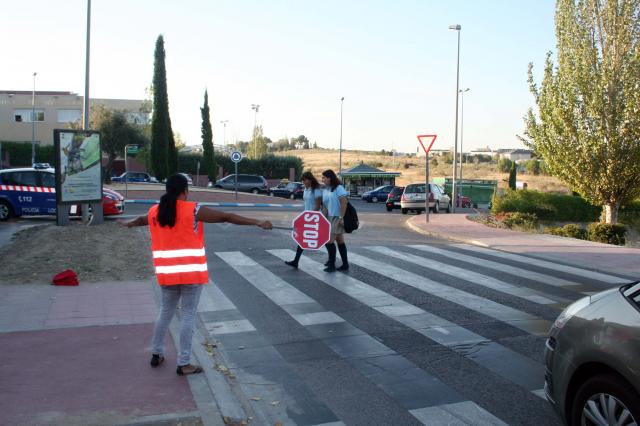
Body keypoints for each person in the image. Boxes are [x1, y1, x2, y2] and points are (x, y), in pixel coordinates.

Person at [121, 174, 272, 375]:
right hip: (190, 274)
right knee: (188, 316)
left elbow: (142, 219)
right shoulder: (192, 210)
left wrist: (130, 223)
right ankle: (184, 363)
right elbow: (226, 217)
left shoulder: (154, 211)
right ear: (185, 191)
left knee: (165, 313)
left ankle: (156, 353)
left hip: (167, 274)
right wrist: (257, 222)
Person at [285, 171, 323, 268]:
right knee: (302, 239)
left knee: (325, 240)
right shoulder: (306, 189)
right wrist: (305, 216)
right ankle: (296, 261)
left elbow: (318, 206)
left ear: (310, 179)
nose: (304, 182)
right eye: (303, 180)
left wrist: (311, 216)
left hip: (315, 218)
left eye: (305, 180)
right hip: (307, 217)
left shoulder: (316, 190)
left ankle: (332, 261)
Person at [321, 169, 349, 272]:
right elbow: (325, 206)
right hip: (329, 217)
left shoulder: (339, 188)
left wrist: (341, 217)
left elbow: (344, 203)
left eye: (324, 177)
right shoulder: (326, 190)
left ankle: (332, 265)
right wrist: (321, 218)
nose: (322, 180)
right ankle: (345, 264)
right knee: (340, 241)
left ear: (329, 178)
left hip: (337, 217)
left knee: (328, 241)